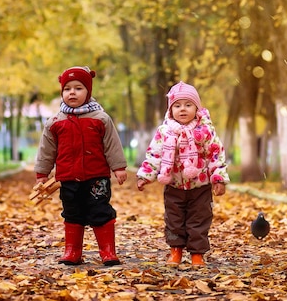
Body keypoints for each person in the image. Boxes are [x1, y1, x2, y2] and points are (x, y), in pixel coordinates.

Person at [34, 66, 128, 266]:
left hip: (97, 177)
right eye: (67, 89)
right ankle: (73, 251)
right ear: (62, 93)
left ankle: (108, 251)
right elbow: (47, 150)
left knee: (100, 210)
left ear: (88, 92)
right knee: (72, 212)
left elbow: (112, 144)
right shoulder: (55, 122)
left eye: (78, 88)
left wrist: (118, 167)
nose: (72, 93)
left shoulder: (100, 118)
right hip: (68, 178)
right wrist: (42, 172)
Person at [136, 81, 229, 267]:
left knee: (199, 219)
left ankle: (197, 254)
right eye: (177, 106)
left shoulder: (205, 131)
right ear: (171, 110)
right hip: (174, 185)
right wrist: (145, 175)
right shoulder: (165, 131)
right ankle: (175, 251)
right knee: (174, 219)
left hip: (200, 186)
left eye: (188, 105)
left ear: (197, 107)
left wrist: (218, 177)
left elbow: (215, 154)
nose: (183, 109)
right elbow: (155, 154)